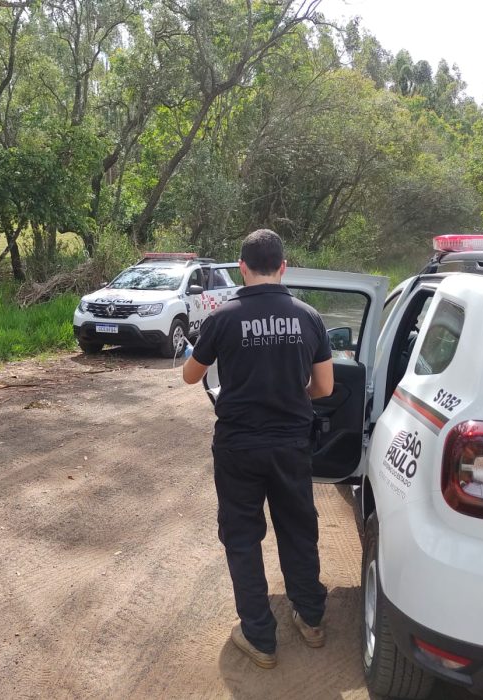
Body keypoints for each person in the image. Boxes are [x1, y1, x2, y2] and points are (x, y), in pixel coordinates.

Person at [182, 229, 334, 669]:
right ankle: (311, 620)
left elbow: (192, 376)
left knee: (243, 538)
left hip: (238, 447)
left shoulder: (223, 317)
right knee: (298, 531)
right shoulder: (308, 317)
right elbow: (324, 386)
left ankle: (260, 638)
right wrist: (290, 387)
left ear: (242, 267)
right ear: (283, 266)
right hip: (290, 445)